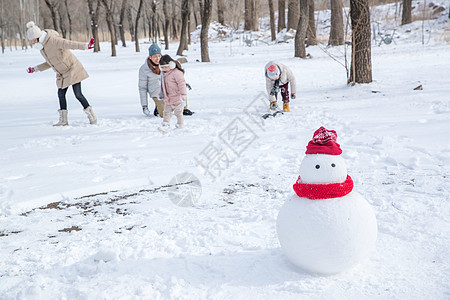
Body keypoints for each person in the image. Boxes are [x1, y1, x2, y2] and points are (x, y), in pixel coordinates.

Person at [25, 21, 97, 126]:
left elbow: (70, 44)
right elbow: (50, 63)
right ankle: (63, 120)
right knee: (61, 94)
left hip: (72, 69)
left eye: (32, 39)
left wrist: (86, 46)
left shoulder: (54, 40)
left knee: (78, 94)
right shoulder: (42, 48)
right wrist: (35, 69)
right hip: (62, 73)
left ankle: (92, 116)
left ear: (37, 37)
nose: (31, 42)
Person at [158, 55, 187, 132]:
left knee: (178, 112)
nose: (163, 69)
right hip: (168, 98)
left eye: (165, 67)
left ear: (171, 64)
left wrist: (183, 94)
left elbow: (182, 83)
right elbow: (162, 86)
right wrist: (160, 94)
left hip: (177, 97)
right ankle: (165, 124)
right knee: (166, 112)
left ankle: (180, 124)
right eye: (162, 67)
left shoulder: (177, 73)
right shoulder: (163, 74)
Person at [138, 43, 165, 118]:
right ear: (150, 57)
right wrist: (144, 106)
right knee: (164, 114)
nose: (158, 58)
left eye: (159, 56)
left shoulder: (165, 65)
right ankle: (159, 106)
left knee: (178, 110)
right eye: (155, 56)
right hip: (156, 93)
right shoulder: (144, 69)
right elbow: (142, 88)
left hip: (168, 91)